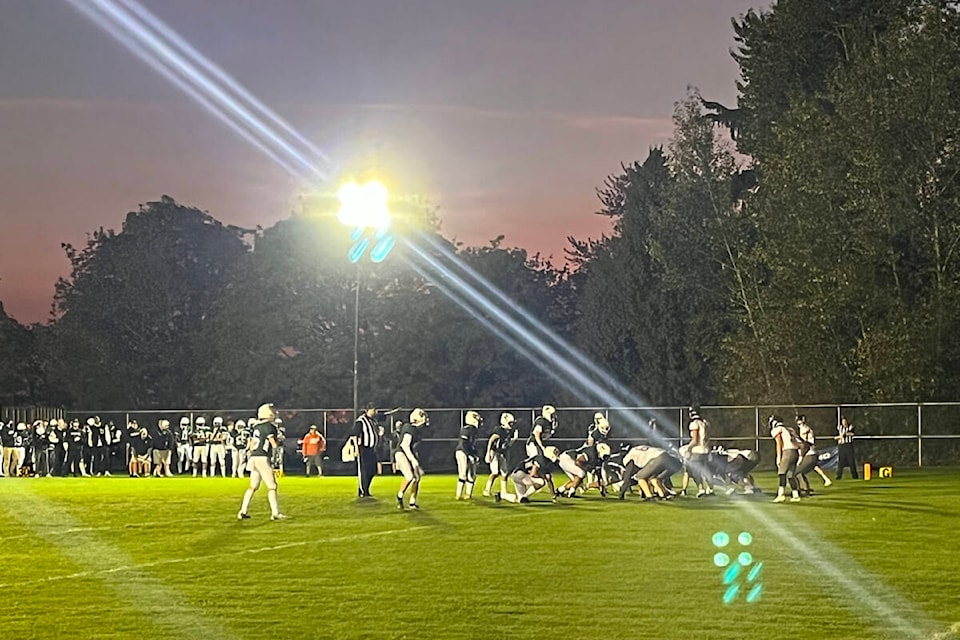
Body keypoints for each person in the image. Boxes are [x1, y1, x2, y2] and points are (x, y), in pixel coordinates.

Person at [237, 403, 287, 521]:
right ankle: (275, 513)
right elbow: (272, 442)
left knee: (253, 486)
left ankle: (243, 511)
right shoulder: (270, 427)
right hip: (263, 457)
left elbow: (251, 443)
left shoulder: (256, 426)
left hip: (253, 457)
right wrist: (276, 447)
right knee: (272, 486)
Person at [395, 408, 428, 509]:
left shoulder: (415, 430)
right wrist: (413, 461)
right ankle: (399, 496)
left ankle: (412, 502)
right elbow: (405, 445)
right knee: (409, 477)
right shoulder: (409, 428)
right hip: (401, 453)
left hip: (408, 453)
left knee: (417, 478)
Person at [482, 412, 517, 499]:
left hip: (502, 452)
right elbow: (491, 440)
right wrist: (488, 452)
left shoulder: (509, 431)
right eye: (510, 423)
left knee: (505, 473)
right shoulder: (499, 430)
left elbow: (507, 444)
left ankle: (504, 491)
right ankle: (487, 489)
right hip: (495, 452)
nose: (512, 424)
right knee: (495, 472)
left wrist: (514, 440)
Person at [796, 415, 832, 495]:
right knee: (814, 466)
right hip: (813, 452)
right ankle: (825, 479)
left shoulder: (803, 429)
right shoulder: (806, 428)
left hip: (809, 453)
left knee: (797, 472)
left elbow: (805, 444)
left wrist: (801, 457)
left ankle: (803, 489)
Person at [350, 403, 381, 498]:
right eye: (373, 410)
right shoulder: (360, 421)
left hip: (372, 449)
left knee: (372, 470)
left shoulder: (373, 421)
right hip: (363, 449)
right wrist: (356, 448)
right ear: (368, 410)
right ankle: (363, 491)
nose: (374, 412)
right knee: (364, 470)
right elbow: (355, 435)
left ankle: (365, 489)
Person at [770, 415, 802, 503]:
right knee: (790, 474)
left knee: (782, 473)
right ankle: (795, 495)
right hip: (796, 451)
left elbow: (779, 443)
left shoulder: (778, 429)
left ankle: (781, 494)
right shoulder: (790, 429)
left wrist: (779, 456)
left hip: (788, 451)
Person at [455, 411, 482, 500]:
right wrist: (469, 455)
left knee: (472, 475)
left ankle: (468, 494)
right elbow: (464, 444)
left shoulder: (473, 430)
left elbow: (471, 445)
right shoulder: (466, 429)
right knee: (463, 474)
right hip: (462, 452)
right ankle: (458, 495)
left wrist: (475, 454)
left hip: (468, 452)